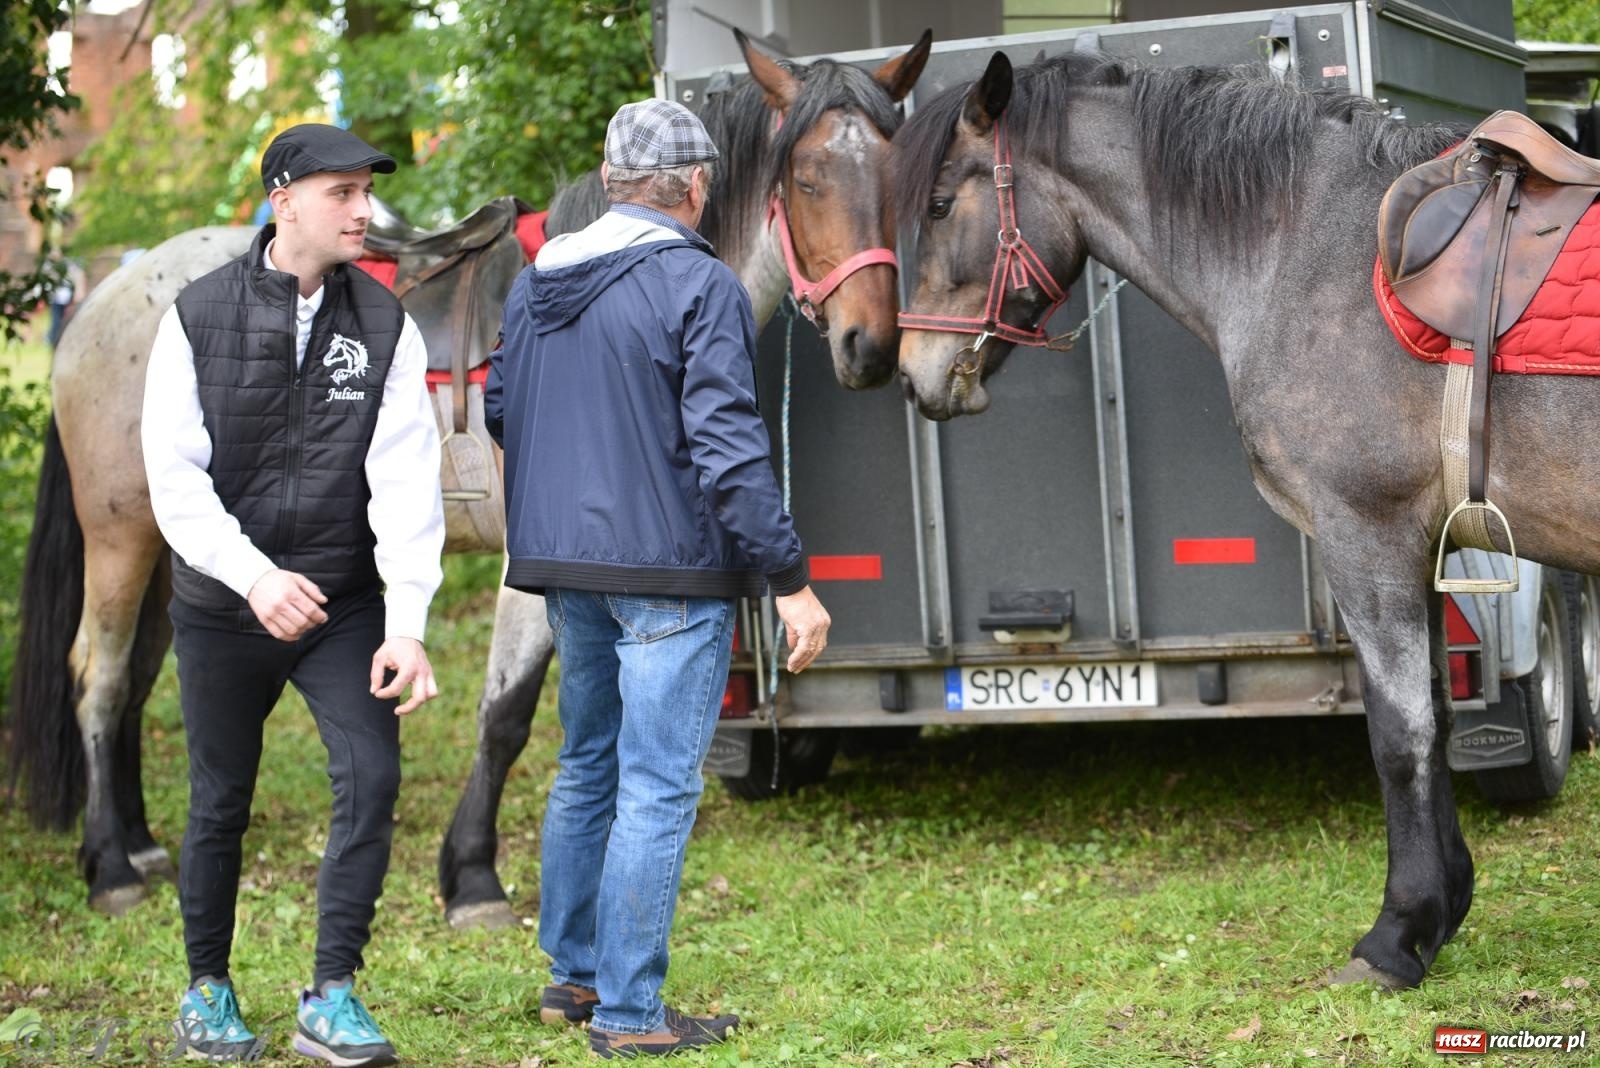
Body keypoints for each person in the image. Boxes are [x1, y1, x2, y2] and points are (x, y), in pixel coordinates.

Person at [485, 98, 833, 1059]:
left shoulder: (535, 284)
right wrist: (790, 580)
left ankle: (576, 976)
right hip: (670, 577)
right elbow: (728, 449)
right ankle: (633, 1016)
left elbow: (504, 410)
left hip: (562, 570)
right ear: (694, 187)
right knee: (655, 784)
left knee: (588, 762)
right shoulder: (701, 283)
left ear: (608, 183)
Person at [140, 123, 444, 1068]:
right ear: (284, 200)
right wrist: (254, 577)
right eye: (343, 194)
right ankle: (208, 989)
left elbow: (406, 481)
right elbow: (173, 479)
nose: (364, 211)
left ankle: (334, 995)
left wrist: (407, 624)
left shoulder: (387, 324)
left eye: (366, 193)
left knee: (374, 777)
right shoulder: (195, 315)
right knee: (219, 801)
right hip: (227, 603)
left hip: (344, 604)